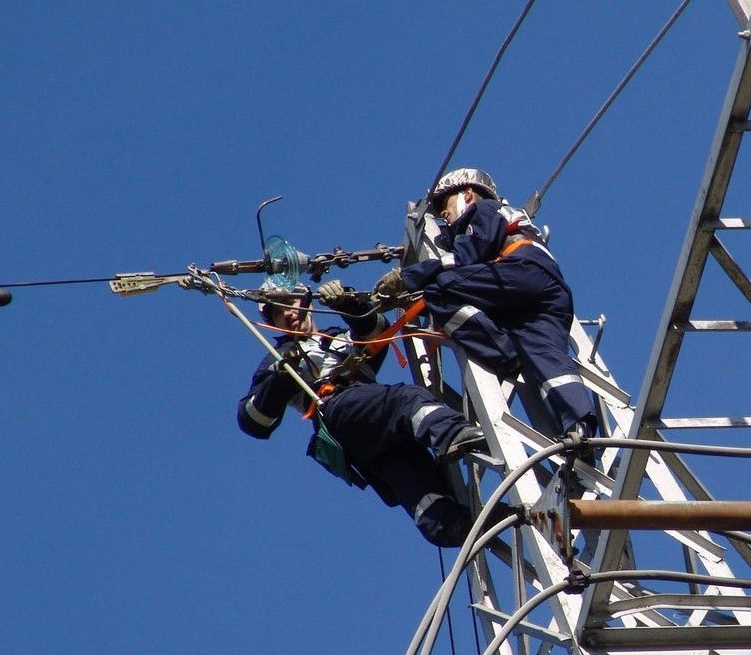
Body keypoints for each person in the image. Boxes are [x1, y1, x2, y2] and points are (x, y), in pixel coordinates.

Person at [237, 280, 490, 547]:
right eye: (278, 312)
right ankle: (452, 433)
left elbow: (375, 331)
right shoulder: (279, 357)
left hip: (374, 430)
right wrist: (280, 379)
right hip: (338, 411)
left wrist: (347, 303)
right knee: (406, 400)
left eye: (290, 304)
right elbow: (253, 420)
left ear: (306, 302)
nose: (287, 313)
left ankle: (462, 525)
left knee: (412, 477)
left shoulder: (337, 338)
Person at [373, 167, 596, 444]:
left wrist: (408, 277)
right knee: (547, 356)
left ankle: (502, 352)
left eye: (446, 204)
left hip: (521, 269)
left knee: (440, 290)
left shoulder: (484, 210)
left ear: (467, 194)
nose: (444, 214)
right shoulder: (507, 218)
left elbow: (466, 258)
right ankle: (580, 426)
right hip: (545, 293)